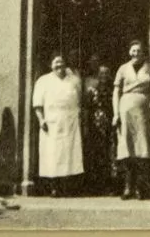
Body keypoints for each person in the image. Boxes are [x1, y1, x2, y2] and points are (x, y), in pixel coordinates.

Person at [33, 52, 84, 196]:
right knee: (53, 154)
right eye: (56, 63)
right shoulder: (43, 81)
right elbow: (37, 104)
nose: (59, 66)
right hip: (51, 122)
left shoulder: (74, 80)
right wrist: (41, 119)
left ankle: (66, 186)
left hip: (70, 121)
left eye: (62, 63)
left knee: (68, 155)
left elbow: (79, 100)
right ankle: (54, 187)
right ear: (51, 65)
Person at [113, 40, 150, 200]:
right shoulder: (123, 69)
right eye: (133, 50)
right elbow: (116, 91)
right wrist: (116, 113)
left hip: (143, 111)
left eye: (139, 51)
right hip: (125, 110)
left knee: (142, 148)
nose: (136, 53)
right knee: (127, 148)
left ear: (143, 52)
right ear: (129, 52)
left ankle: (140, 188)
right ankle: (127, 187)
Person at [82, 64, 116, 195]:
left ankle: (110, 185)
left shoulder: (113, 89)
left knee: (110, 155)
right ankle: (96, 186)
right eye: (101, 74)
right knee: (96, 155)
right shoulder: (92, 89)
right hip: (95, 126)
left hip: (110, 125)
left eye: (106, 73)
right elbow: (86, 108)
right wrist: (86, 125)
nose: (103, 76)